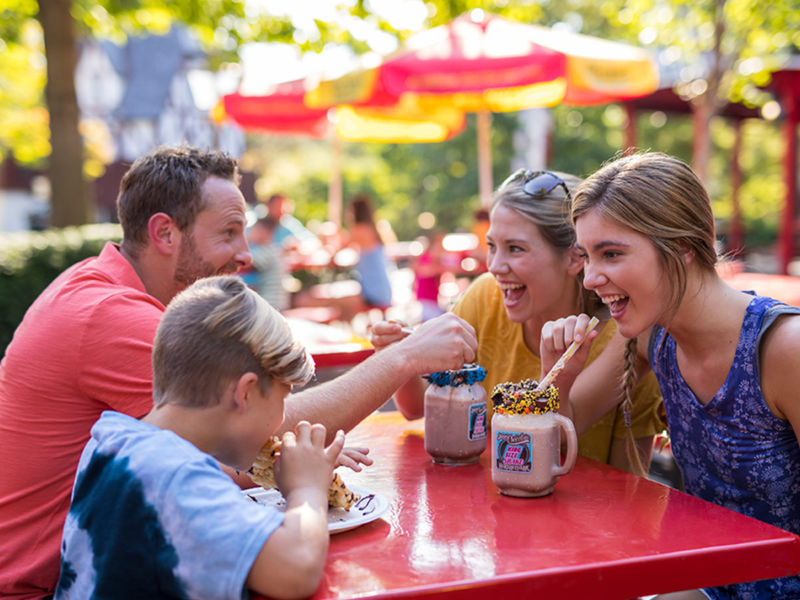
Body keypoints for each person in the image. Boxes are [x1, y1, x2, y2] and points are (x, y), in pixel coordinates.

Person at [0, 144, 477, 599]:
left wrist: (286, 460)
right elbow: (262, 428)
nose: (246, 255)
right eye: (228, 233)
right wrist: (401, 359)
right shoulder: (111, 316)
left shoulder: (103, 297)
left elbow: (209, 436)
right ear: (165, 233)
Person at [546, 151, 800, 599]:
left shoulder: (784, 348)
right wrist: (559, 379)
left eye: (611, 253)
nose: (589, 278)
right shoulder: (651, 337)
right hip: (705, 583)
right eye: (586, 256)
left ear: (683, 247)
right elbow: (553, 448)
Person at [55, 275, 344, 599]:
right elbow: (297, 571)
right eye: (282, 398)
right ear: (245, 392)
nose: (281, 415)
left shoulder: (110, 438)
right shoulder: (176, 476)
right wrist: (307, 487)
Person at [372, 169, 664, 474]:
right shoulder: (486, 297)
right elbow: (416, 407)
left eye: (515, 248)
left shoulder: (625, 335)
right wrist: (401, 356)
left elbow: (629, 486)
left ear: (575, 257)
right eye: (492, 246)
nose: (496, 267)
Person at [344, 192, 393, 309]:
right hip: (384, 289)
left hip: (374, 291)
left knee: (333, 300)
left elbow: (339, 248)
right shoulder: (376, 228)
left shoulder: (359, 230)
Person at [248, 215, 290, 311]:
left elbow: (243, 265)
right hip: (279, 304)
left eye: (253, 230)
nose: (249, 233)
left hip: (270, 304)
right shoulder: (274, 249)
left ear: (263, 232)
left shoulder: (265, 251)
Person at [413, 230, 448, 322]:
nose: (442, 249)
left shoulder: (435, 260)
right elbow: (423, 271)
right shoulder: (427, 259)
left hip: (432, 301)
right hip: (426, 301)